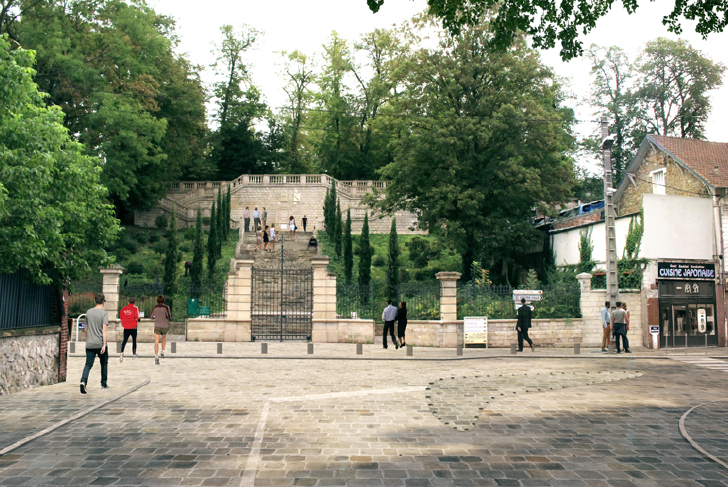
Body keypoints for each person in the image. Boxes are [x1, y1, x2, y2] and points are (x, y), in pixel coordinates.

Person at [80, 293, 109, 393]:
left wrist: (88, 339)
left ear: (95, 301)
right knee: (104, 363)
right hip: (100, 343)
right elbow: (104, 330)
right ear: (103, 302)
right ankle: (103, 384)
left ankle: (83, 381)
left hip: (90, 343)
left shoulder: (88, 312)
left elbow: (86, 329)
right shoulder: (104, 313)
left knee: (88, 364)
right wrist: (104, 345)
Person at [150, 295, 171, 365]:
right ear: (163, 300)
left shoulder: (155, 307)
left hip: (157, 325)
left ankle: (156, 355)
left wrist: (156, 317)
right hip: (164, 325)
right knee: (163, 339)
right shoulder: (166, 307)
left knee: (156, 341)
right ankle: (162, 351)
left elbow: (151, 316)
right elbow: (169, 316)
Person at [119, 297, 140, 362]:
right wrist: (138, 319)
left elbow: (121, 317)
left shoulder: (123, 309)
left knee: (124, 340)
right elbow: (137, 317)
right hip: (133, 327)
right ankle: (134, 354)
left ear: (128, 302)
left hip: (126, 327)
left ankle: (121, 352)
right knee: (134, 341)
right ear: (134, 302)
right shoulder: (135, 308)